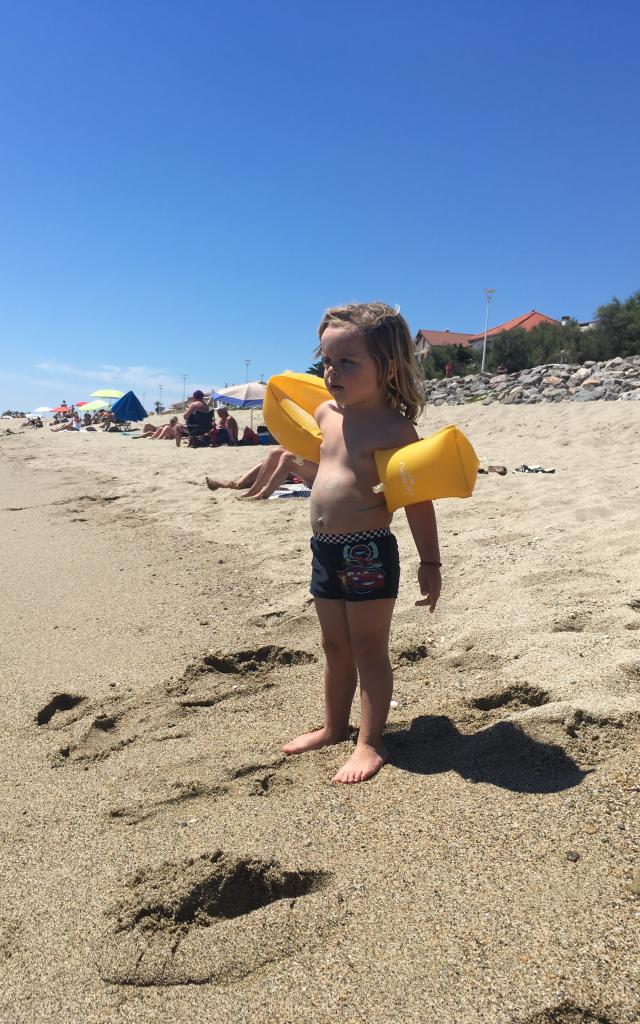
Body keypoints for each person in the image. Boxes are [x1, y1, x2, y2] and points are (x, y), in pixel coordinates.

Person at [282, 302, 442, 785]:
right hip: (325, 549)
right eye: (327, 361)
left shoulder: (395, 429)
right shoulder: (325, 413)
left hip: (368, 549)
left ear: (387, 367)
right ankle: (334, 726)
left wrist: (430, 562)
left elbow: (417, 500)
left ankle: (370, 742)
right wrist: (290, 463)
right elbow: (331, 473)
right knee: (334, 645)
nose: (332, 373)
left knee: (369, 647)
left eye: (347, 362)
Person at [205, 445, 317, 499]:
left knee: (288, 457)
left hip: (323, 473)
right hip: (316, 465)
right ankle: (253, 489)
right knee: (275, 453)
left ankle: (263, 494)